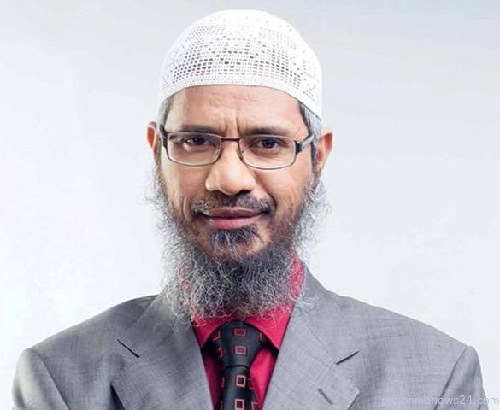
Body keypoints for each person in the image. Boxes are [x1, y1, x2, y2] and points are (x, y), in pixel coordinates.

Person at [13, 9, 487, 410]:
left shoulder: (436, 380)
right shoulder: (62, 379)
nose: (229, 178)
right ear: (157, 152)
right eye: (196, 141)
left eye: (267, 143)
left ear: (317, 158)